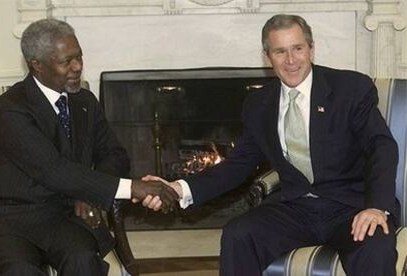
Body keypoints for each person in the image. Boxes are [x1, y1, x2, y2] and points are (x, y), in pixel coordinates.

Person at [142, 14, 400, 276]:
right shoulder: (259, 104)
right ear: (268, 57)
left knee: (375, 243)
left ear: (311, 49)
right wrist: (177, 188)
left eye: (297, 48)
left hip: (351, 206)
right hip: (296, 208)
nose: (290, 60)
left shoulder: (350, 88)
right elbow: (238, 164)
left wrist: (376, 207)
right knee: (238, 233)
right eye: (280, 51)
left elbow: (382, 147)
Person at [0, 18, 178, 276]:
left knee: (83, 259)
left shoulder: (84, 102)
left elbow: (115, 155)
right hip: (13, 220)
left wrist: (89, 194)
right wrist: (132, 187)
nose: (77, 67)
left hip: (63, 215)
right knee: (19, 271)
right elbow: (52, 170)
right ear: (37, 65)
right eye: (66, 62)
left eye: (79, 57)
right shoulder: (9, 109)